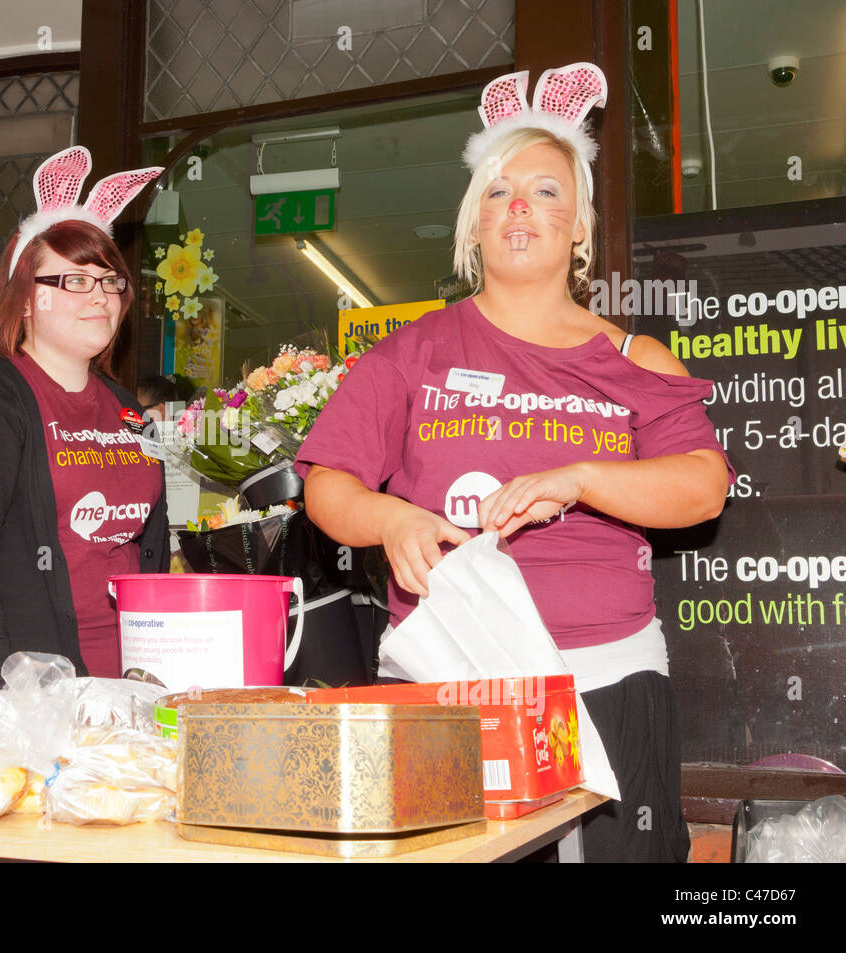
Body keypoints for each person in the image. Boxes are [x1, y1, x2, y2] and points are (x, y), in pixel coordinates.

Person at [296, 64, 731, 862]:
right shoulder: (411, 352)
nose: (520, 205)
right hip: (449, 676)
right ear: (473, 225)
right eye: (498, 192)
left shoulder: (637, 357)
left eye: (547, 191)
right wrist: (389, 517)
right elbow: (327, 481)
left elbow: (704, 487)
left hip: (609, 676)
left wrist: (583, 478)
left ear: (578, 228)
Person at [0, 146, 169, 689]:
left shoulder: (127, 411)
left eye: (110, 279)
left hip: (121, 687)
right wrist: (2, 690)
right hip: (26, 691)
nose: (101, 296)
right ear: (24, 299)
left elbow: (150, 548)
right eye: (73, 280)